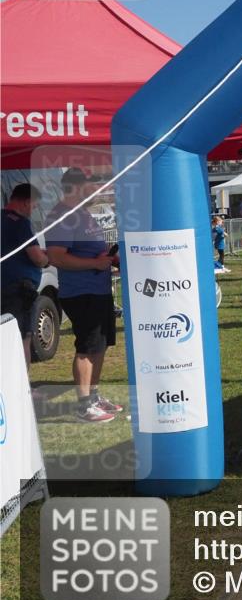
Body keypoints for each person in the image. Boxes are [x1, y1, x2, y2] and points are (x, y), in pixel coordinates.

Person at [45, 168, 122, 423]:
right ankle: (84, 405)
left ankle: (94, 397)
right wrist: (94, 264)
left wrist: (109, 258)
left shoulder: (82, 213)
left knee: (99, 345)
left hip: (98, 290)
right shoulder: (62, 215)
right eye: (92, 184)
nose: (97, 189)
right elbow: (56, 257)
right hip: (81, 292)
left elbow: (88, 250)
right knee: (87, 348)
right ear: (77, 186)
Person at [1, 184, 50, 397]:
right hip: (17, 291)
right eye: (34, 205)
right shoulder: (20, 223)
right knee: (23, 338)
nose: (34, 209)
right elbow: (37, 258)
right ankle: (22, 390)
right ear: (26, 202)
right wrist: (47, 259)